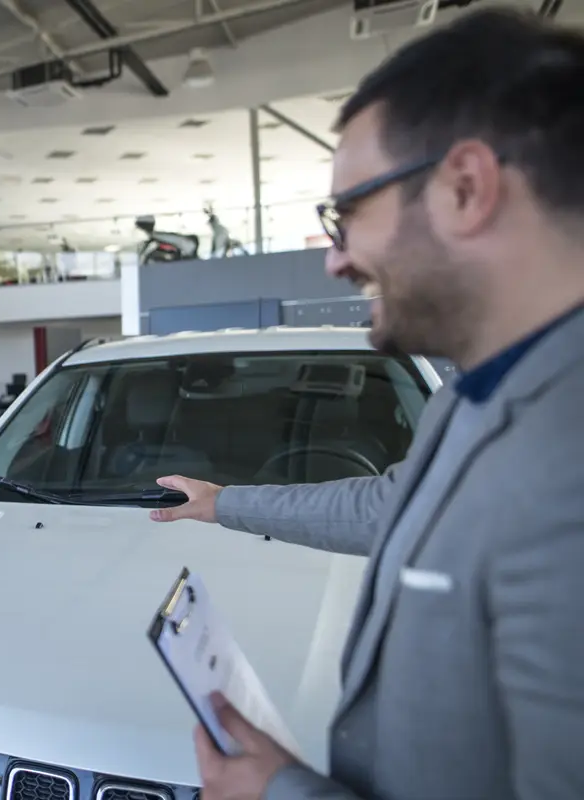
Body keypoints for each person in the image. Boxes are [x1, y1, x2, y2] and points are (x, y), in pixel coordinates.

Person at [149, 8, 584, 800]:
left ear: (466, 188)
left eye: (348, 212)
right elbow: (392, 506)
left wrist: (282, 794)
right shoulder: (480, 396)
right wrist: (226, 504)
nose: (336, 257)